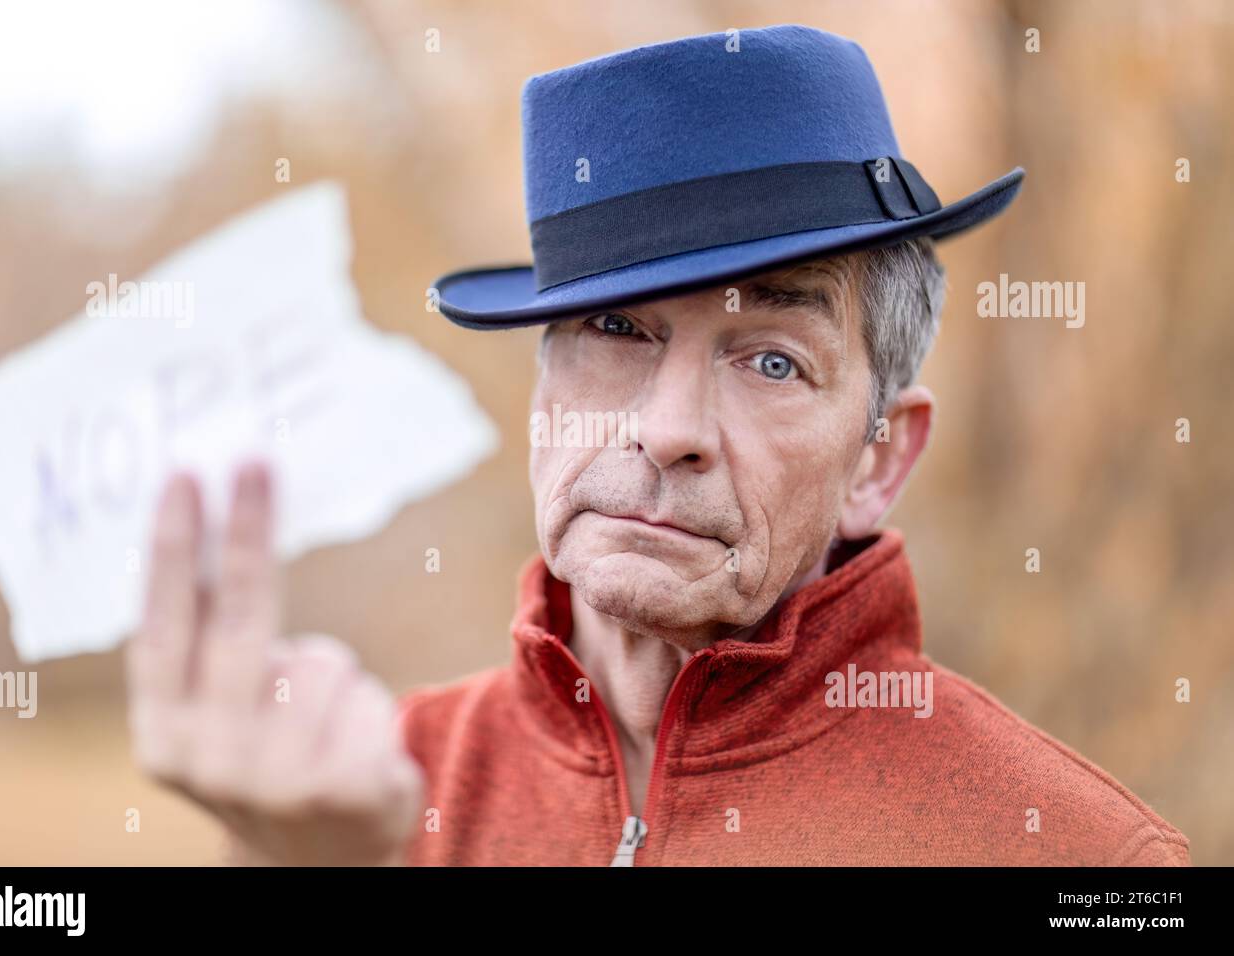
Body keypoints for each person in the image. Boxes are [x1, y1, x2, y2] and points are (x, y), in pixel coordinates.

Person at [126, 25, 1190, 866]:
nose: (668, 428)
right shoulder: (357, 793)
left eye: (771, 360)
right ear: (541, 398)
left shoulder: (1076, 854)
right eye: (618, 331)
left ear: (879, 459)